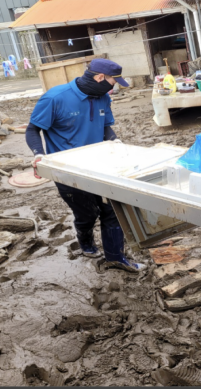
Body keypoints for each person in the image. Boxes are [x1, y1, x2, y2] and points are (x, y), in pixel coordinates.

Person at [25, 58, 145, 273]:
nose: (114, 86)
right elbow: (32, 130)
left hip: (101, 165)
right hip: (68, 170)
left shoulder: (102, 97)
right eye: (113, 81)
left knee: (113, 210)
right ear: (100, 77)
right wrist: (38, 154)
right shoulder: (55, 98)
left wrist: (114, 140)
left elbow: (106, 125)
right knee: (87, 214)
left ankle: (115, 257)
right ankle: (86, 243)